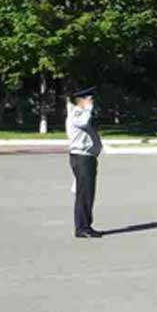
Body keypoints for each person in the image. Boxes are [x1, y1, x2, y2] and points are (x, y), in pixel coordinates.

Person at [66, 87, 103, 239]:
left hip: (86, 157)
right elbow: (83, 122)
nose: (92, 102)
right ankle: (82, 228)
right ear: (81, 100)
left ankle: (86, 225)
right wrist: (87, 108)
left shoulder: (81, 112)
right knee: (84, 194)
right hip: (82, 158)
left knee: (87, 193)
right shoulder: (77, 113)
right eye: (89, 99)